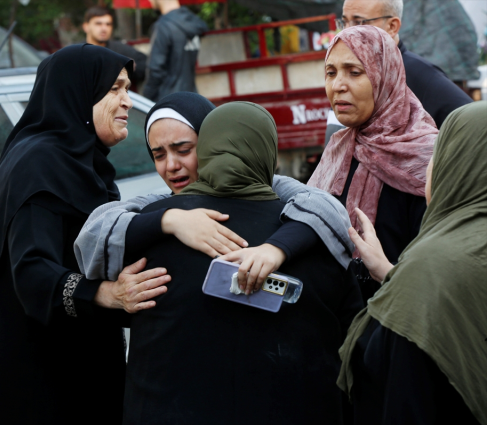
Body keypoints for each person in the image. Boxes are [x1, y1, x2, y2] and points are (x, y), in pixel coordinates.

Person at [121, 102, 363, 424]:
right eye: (159, 154)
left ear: (204, 150)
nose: (172, 166)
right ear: (268, 153)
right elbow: (356, 344)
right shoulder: (317, 233)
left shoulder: (147, 227)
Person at [0, 45, 171, 424]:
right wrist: (108, 294)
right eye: (114, 89)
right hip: (43, 376)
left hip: (70, 358)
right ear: (77, 92)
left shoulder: (74, 159)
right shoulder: (42, 163)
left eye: (127, 88)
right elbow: (32, 272)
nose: (128, 101)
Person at [75, 91, 355, 296]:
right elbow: (95, 230)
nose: (171, 166)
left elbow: (327, 208)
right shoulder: (161, 203)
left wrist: (275, 249)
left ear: (213, 142)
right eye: (158, 155)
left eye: (184, 150)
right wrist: (171, 220)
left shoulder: (271, 186)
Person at [339, 101, 487, 425]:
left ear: (455, 165)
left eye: (436, 155)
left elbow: (401, 389)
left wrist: (409, 278)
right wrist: (394, 275)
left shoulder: (431, 265)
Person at [309, 25, 437, 301]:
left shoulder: (426, 156)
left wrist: (388, 274)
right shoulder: (338, 149)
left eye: (354, 72)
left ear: (386, 76)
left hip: (404, 318)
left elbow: (439, 270)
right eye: (330, 73)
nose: (338, 85)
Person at [325, 0, 472, 144]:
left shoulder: (420, 75)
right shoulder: (341, 77)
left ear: (392, 26)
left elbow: (473, 125)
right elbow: (333, 137)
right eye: (343, 23)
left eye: (359, 23)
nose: (348, 32)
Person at [143, 0, 208, 101]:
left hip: (169, 101)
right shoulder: (193, 23)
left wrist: (146, 99)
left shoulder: (163, 26)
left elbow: (155, 70)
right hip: (192, 96)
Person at [82, 7, 147, 87]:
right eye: (98, 23)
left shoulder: (120, 49)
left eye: (108, 24)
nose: (104, 28)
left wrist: (129, 68)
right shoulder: (76, 52)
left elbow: (146, 64)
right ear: (86, 27)